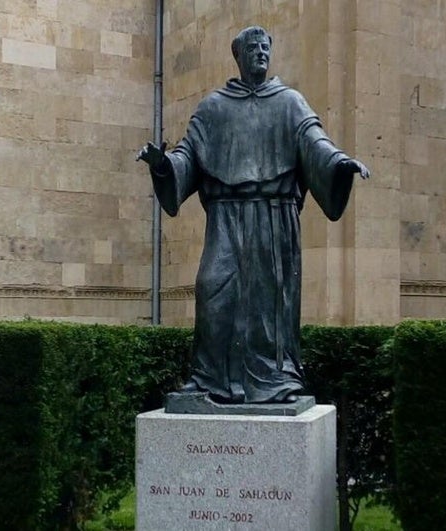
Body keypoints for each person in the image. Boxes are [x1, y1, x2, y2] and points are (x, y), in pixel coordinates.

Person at [138, 26, 368, 404]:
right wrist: (162, 165)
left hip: (273, 216)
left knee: (269, 300)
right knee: (213, 290)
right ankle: (208, 378)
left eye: (265, 47)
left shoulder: (290, 102)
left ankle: (277, 381)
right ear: (239, 56)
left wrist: (341, 165)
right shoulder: (213, 108)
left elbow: (316, 144)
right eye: (253, 48)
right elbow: (187, 156)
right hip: (226, 217)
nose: (261, 53)